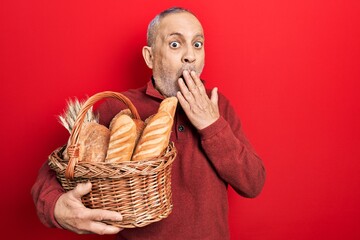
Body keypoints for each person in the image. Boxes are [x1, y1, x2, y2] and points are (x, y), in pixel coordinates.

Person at [32, 7, 266, 239]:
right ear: (150, 56)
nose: (190, 56)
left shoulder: (218, 106)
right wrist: (55, 207)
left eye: (197, 44)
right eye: (175, 44)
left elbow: (253, 183)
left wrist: (211, 125)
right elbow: (55, 172)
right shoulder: (119, 109)